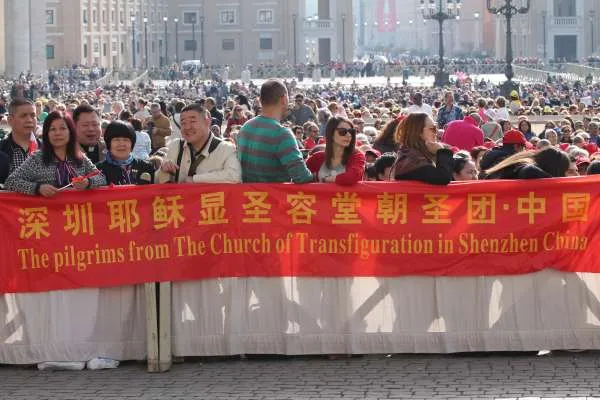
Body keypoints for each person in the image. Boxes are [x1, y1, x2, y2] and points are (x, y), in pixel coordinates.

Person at [5, 111, 106, 196]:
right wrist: (37, 188)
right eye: (52, 129)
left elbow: (101, 177)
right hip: (48, 216)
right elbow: (11, 182)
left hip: (75, 215)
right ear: (47, 134)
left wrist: (88, 183)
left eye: (62, 128)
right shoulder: (37, 158)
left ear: (70, 132)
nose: (58, 133)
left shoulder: (79, 157)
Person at [237, 79, 313, 183]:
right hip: (274, 198)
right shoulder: (281, 134)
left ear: (260, 100)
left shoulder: (245, 127)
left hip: (249, 197)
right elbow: (302, 177)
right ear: (283, 99)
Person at [157, 103, 241, 184]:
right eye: (183, 123)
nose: (187, 127)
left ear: (207, 122)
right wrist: (163, 170)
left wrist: (195, 180)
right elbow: (156, 182)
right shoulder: (175, 146)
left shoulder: (226, 149)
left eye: (193, 121)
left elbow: (234, 176)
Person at [391, 113, 453, 185]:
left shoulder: (413, 153)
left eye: (436, 128)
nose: (436, 132)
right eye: (432, 128)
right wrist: (442, 152)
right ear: (418, 132)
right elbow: (443, 179)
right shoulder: (413, 160)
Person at [305, 117, 366, 185]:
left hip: (347, 195)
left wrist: (326, 179)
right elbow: (301, 176)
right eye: (342, 131)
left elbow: (352, 177)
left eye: (351, 132)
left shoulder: (358, 156)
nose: (349, 135)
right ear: (331, 134)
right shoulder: (317, 157)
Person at [96, 121, 155, 185]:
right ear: (108, 143)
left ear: (132, 143)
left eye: (126, 140)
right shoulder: (98, 171)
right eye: (117, 139)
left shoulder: (147, 167)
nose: (121, 144)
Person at [0, 99, 41, 175]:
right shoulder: (2, 150)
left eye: (33, 115)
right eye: (23, 116)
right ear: (10, 120)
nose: (29, 120)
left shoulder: (47, 148)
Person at [484, 147, 570, 180]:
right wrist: (555, 182)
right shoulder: (526, 165)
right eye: (565, 171)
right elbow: (529, 170)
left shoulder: (525, 159)